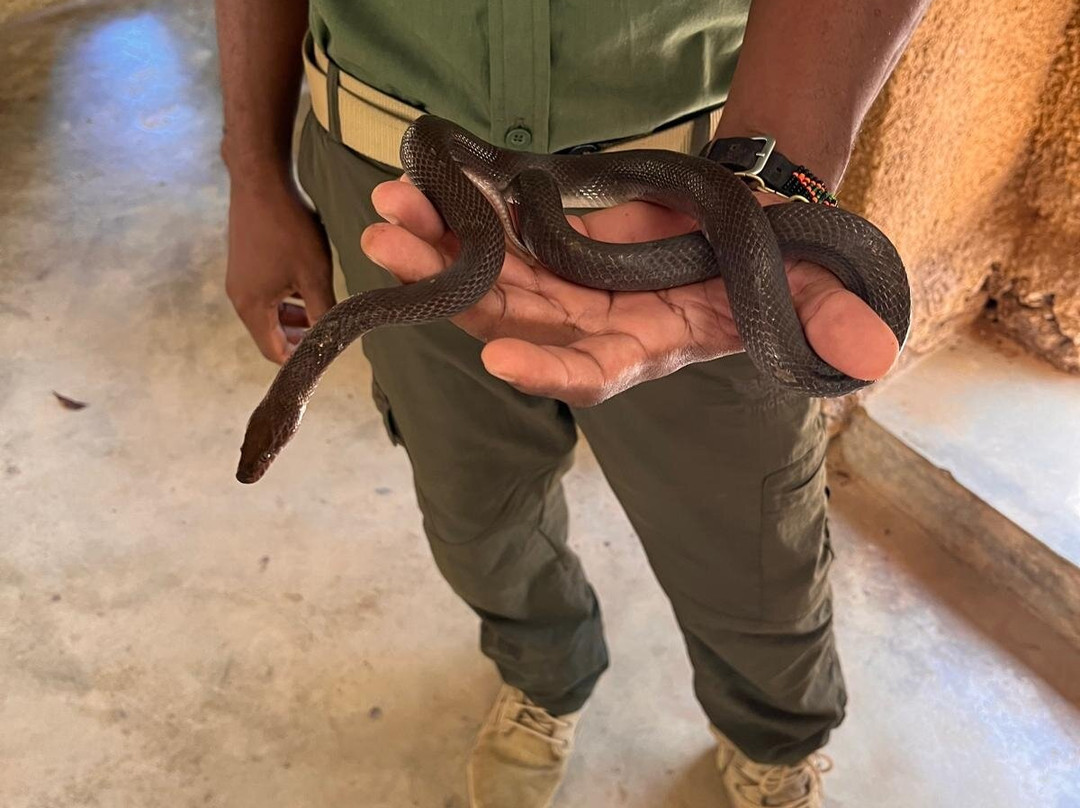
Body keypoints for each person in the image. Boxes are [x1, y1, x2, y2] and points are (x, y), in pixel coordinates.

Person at [215, 2, 927, 806]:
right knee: (474, 505)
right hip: (384, 174)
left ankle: (773, 743)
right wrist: (252, 171)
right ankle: (543, 679)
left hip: (704, 167)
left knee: (751, 540)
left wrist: (768, 180)